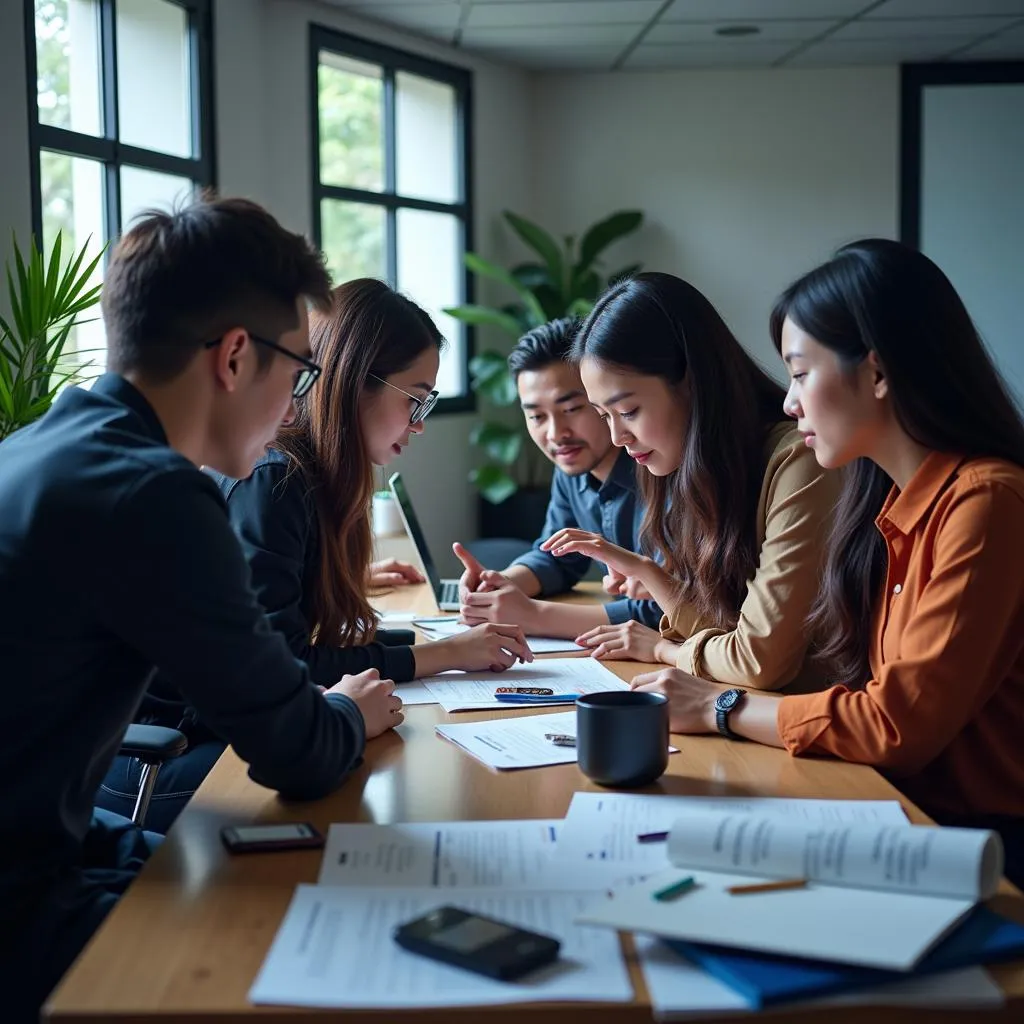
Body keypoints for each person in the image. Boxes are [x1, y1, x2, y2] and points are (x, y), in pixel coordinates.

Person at [0, 196, 401, 1019]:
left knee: (253, 867)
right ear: (233, 357)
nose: (297, 406)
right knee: (343, 941)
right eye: (299, 374)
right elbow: (296, 753)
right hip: (19, 906)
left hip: (54, 846)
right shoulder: (153, 497)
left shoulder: (41, 445)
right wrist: (350, 715)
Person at [631, 240, 1024, 885]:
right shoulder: (889, 500)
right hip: (893, 805)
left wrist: (717, 707)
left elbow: (895, 725)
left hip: (975, 844)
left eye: (800, 371)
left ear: (876, 372)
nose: (789, 403)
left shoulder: (985, 502)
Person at [96, 279, 532, 832]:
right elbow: (287, 665)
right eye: (415, 397)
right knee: (360, 780)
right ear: (354, 381)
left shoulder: (314, 480)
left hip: (211, 735)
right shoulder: (276, 480)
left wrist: (435, 650)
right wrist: (436, 657)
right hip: (164, 760)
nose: (420, 422)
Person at [546, 272, 838, 693]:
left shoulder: (800, 462)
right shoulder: (690, 467)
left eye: (628, 411)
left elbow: (758, 661)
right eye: (604, 415)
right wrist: (646, 571)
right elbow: (727, 632)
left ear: (691, 383)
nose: (617, 438)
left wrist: (664, 651)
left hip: (812, 725)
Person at [454, 317, 663, 639]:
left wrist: (533, 616)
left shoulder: (660, 468)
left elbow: (668, 609)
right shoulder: (573, 464)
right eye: (537, 416)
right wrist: (500, 584)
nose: (556, 434)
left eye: (571, 409)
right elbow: (556, 557)